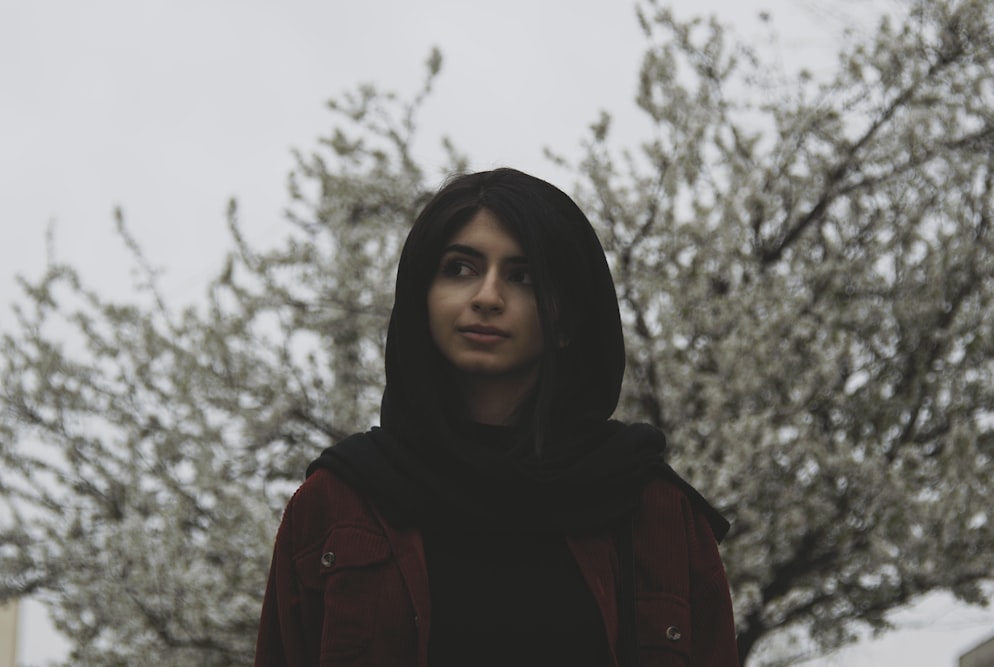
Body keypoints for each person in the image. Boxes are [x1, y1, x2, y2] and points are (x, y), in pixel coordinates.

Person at [254, 168, 739, 666]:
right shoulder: (336, 505)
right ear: (421, 298)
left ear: (568, 318)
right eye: (460, 269)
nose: (487, 297)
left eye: (522, 276)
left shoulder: (653, 510)